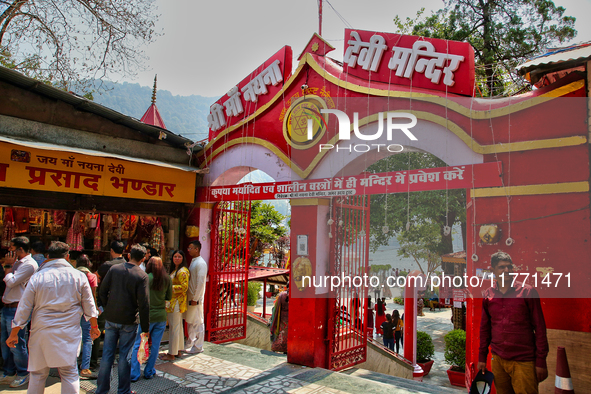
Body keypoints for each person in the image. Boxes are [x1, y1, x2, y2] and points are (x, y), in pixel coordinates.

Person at [6, 241, 100, 394]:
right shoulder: (78, 276)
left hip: (41, 331)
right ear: (68, 257)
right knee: (69, 373)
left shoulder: (37, 277)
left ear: (48, 257)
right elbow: (90, 306)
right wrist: (94, 327)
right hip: (68, 332)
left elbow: (24, 308)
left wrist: (14, 333)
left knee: (37, 374)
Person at [478, 251, 549, 394]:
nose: (507, 271)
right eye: (502, 267)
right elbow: (485, 328)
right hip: (498, 360)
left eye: (509, 267)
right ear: (493, 270)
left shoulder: (527, 292)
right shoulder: (488, 295)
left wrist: (541, 361)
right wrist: (482, 357)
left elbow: (540, 328)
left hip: (524, 361)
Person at [96, 244, 149, 394]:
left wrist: (107, 307)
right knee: (125, 356)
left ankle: (102, 390)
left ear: (128, 255)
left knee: (107, 355)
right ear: (143, 259)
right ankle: (123, 391)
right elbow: (144, 304)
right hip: (129, 320)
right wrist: (145, 329)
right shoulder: (141, 275)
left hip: (112, 318)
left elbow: (102, 290)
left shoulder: (115, 269)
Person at [1, 236, 39, 387]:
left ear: (20, 249)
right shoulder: (17, 262)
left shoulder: (29, 265)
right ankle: (9, 371)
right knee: (5, 343)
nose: (9, 251)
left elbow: (11, 281)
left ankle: (23, 373)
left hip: (18, 308)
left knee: (16, 343)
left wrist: (7, 267)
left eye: (11, 248)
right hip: (8, 306)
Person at [130, 257, 172, 381]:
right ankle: (149, 371)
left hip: (146, 316)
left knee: (138, 344)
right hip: (160, 316)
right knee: (155, 346)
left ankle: (134, 373)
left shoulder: (145, 277)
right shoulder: (167, 279)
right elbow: (169, 297)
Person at [160, 250, 189, 361]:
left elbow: (184, 287)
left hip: (176, 302)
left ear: (183, 258)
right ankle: (178, 350)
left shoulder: (182, 271)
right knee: (177, 327)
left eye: (179, 256)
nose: (176, 258)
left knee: (174, 328)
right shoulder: (176, 270)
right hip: (174, 302)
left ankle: (171, 353)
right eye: (175, 256)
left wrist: (169, 288)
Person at [75, 254, 99, 379]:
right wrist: (95, 311)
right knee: (88, 339)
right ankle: (85, 368)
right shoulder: (92, 276)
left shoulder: (72, 275)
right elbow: (92, 297)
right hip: (87, 312)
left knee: (73, 337)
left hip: (73, 311)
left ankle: (71, 366)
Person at [184, 240, 207, 354]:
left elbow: (200, 283)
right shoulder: (194, 262)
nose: (189, 250)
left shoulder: (201, 263)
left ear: (196, 249)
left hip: (195, 299)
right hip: (191, 298)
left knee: (198, 322)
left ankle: (198, 346)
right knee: (191, 321)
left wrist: (196, 298)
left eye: (190, 248)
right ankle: (190, 343)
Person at [269, 286, 289, 353]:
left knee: (281, 333)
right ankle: (287, 350)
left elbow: (276, 308)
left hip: (282, 318)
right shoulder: (297, 295)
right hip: (292, 317)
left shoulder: (282, 295)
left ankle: (278, 348)